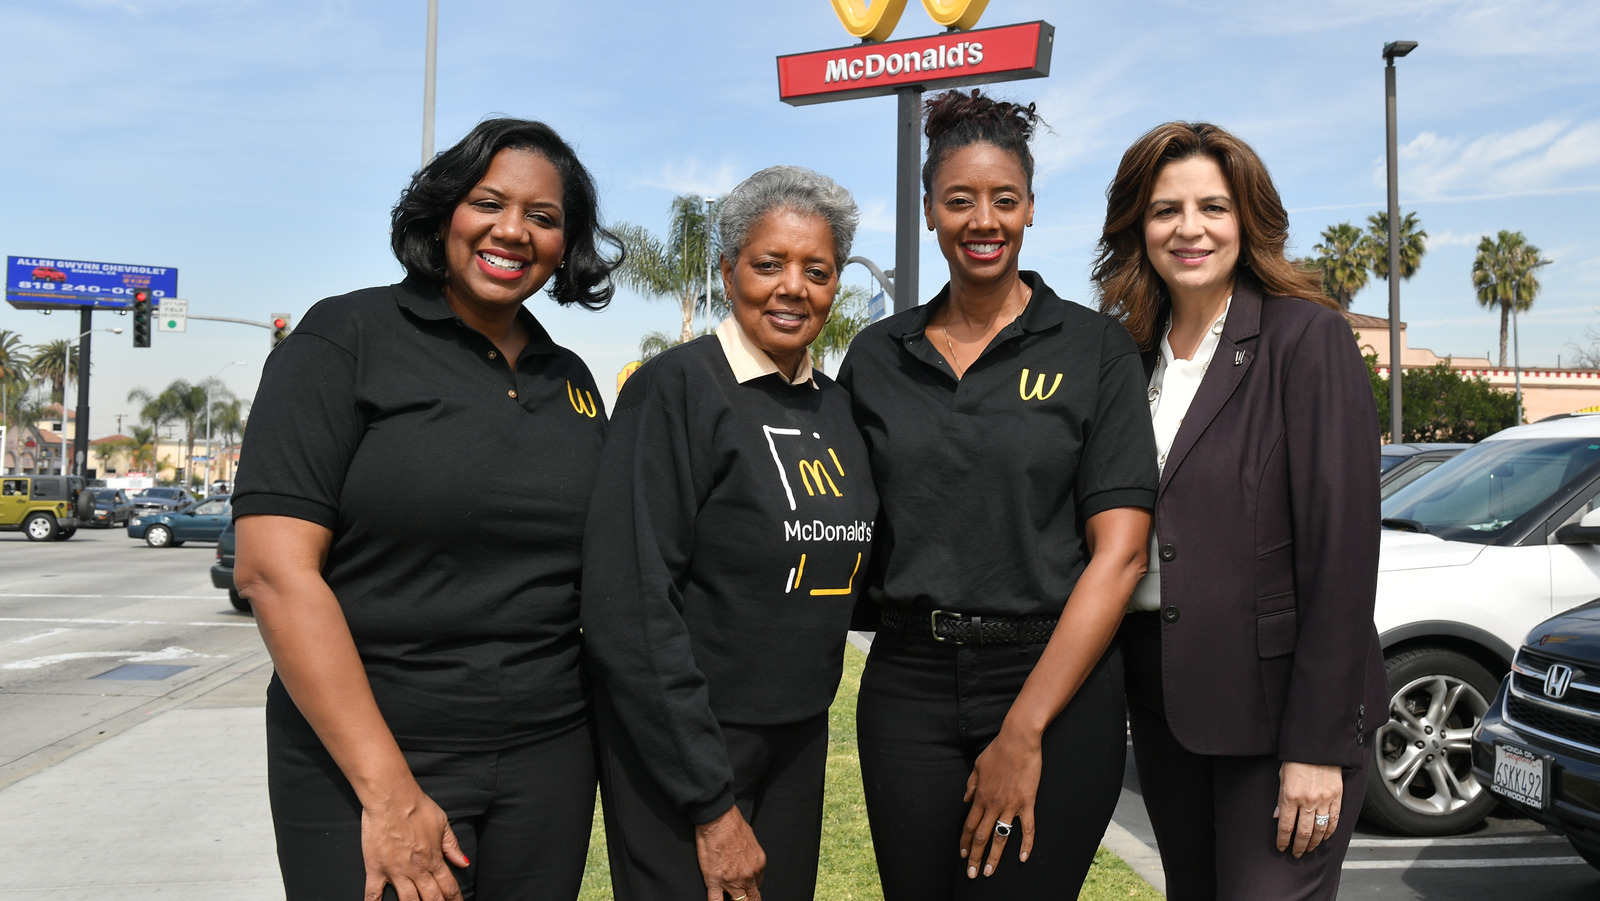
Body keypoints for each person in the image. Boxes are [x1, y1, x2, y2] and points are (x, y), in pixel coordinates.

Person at [232, 117, 622, 901]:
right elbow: (273, 573)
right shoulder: (344, 337)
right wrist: (388, 792)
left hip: (548, 757)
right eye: (489, 202)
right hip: (369, 754)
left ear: (566, 244)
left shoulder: (571, 378)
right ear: (445, 211)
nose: (512, 231)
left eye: (544, 218)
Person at [836, 89, 1158, 899]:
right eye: (960, 200)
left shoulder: (1095, 349)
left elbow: (1119, 556)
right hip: (907, 682)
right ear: (929, 212)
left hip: (1053, 681)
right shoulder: (876, 357)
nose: (984, 220)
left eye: (1004, 200)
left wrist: (1024, 728)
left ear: (1030, 209)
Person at [1093, 121, 1387, 900]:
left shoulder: (1307, 338)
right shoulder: (1128, 354)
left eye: (1212, 207)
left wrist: (1318, 745)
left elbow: (1343, 553)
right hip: (1164, 704)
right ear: (1137, 226)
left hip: (1283, 714)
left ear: (1247, 220)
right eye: (1165, 210)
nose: (1189, 229)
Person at [581, 165, 876, 901]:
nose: (792, 287)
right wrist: (711, 804)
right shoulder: (675, 391)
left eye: (817, 269)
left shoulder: (839, 410)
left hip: (799, 739)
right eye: (768, 264)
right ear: (727, 270)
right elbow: (632, 607)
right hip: (686, 747)